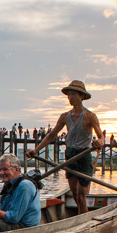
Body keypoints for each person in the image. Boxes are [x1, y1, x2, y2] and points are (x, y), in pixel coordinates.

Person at [26, 80, 103, 214]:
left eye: (73, 94)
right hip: (71, 155)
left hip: (84, 156)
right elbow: (51, 135)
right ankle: (81, 216)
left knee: (81, 196)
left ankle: (83, 221)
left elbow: (101, 137)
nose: (70, 97)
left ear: (81, 96)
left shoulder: (90, 116)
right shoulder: (64, 117)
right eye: (69, 95)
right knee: (74, 195)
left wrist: (99, 143)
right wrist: (35, 150)